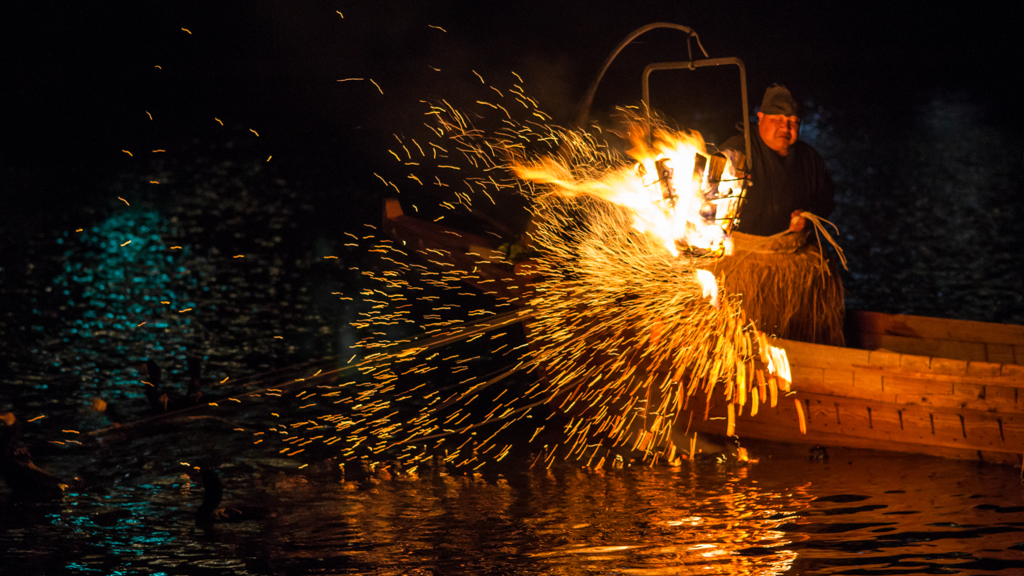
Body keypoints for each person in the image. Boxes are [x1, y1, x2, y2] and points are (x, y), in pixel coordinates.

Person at [721, 84, 835, 236]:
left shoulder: (809, 158)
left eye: (793, 122)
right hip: (743, 248)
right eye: (777, 119)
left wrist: (808, 217)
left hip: (792, 246)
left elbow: (826, 200)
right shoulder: (737, 150)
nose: (785, 128)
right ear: (760, 118)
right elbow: (709, 194)